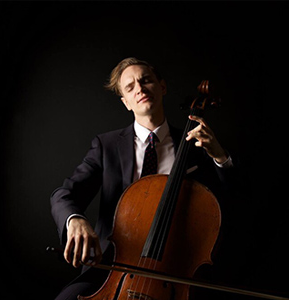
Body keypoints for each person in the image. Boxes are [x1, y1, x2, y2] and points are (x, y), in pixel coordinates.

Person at [50, 57, 236, 300]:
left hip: (175, 272)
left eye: (146, 80)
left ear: (162, 87)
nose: (139, 88)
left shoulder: (195, 144)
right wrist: (74, 220)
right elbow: (64, 195)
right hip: (111, 270)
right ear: (126, 102)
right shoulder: (106, 146)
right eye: (130, 87)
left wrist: (220, 156)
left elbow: (235, 197)